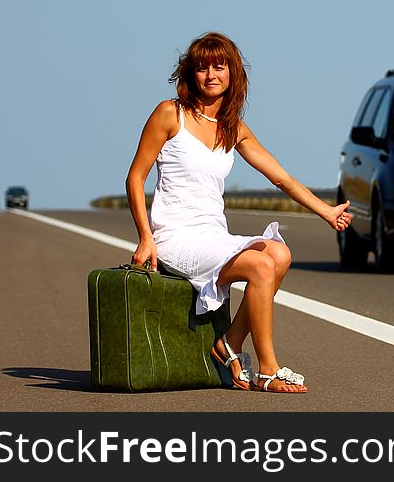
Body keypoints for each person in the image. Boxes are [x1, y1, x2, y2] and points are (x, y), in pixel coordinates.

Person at [125, 31, 353, 393]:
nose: (211, 75)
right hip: (175, 237)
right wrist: (145, 238)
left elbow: (282, 178)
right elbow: (135, 178)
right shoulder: (170, 114)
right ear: (190, 74)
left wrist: (326, 212)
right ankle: (267, 368)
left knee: (279, 254)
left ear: (233, 74)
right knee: (261, 264)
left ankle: (229, 342)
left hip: (212, 235)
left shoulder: (233, 129)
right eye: (201, 68)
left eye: (220, 66)